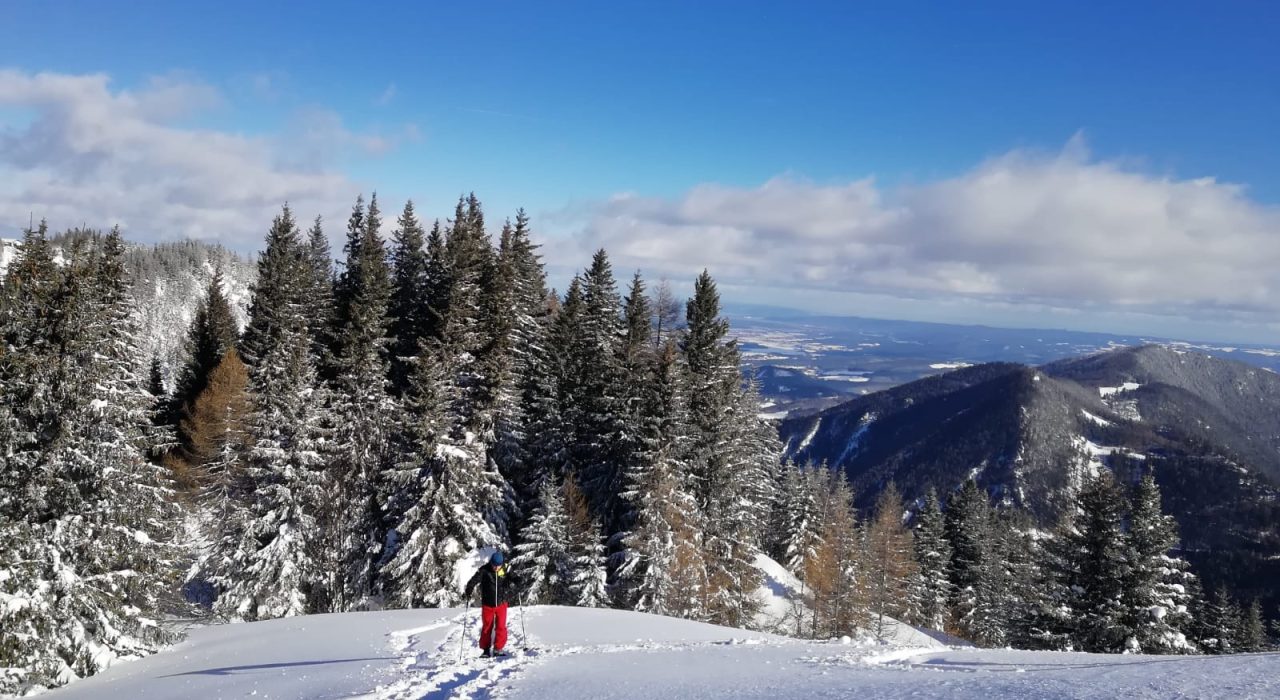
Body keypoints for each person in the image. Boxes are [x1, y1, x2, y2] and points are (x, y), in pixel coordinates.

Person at [464, 551, 518, 657]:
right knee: (487, 627)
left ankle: (498, 648)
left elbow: (515, 577)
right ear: (491, 563)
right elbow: (474, 579)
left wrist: (518, 581)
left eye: (498, 566)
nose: (496, 568)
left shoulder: (506, 568)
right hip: (488, 604)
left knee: (501, 627)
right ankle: (486, 650)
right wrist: (469, 588)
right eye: (494, 565)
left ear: (501, 564)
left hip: (502, 603)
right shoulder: (484, 570)